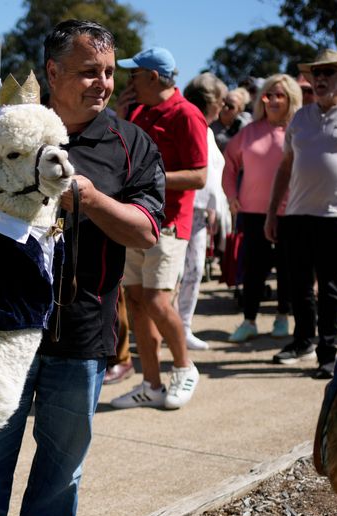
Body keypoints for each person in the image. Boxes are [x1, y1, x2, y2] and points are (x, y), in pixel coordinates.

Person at [0, 19, 164, 516]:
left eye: (110, 72)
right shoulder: (9, 132)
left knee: (63, 458)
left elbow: (144, 231)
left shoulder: (130, 145)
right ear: (54, 73)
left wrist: (85, 195)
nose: (104, 82)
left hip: (82, 328)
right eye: (90, 70)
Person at [265, 49, 337, 378]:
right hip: (297, 213)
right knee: (298, 285)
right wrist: (273, 212)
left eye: (328, 73)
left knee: (330, 287)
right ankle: (302, 341)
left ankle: (327, 352)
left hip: (336, 215)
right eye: (316, 73)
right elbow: (285, 168)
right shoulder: (301, 117)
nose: (319, 79)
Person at [111, 46, 205, 410]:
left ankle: (184, 368)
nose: (128, 81)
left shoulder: (187, 115)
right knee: (135, 301)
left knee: (154, 299)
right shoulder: (137, 111)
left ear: (153, 77)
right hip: (136, 219)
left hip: (168, 225)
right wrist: (120, 116)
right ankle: (151, 385)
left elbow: (199, 175)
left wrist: (153, 178)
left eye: (134, 74)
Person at [222, 74, 302, 344]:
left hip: (290, 211)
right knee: (253, 268)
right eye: (269, 95)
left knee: (288, 268)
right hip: (252, 212)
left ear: (291, 99)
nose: (274, 100)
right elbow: (229, 166)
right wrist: (232, 195)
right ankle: (249, 320)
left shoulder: (298, 130)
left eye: (281, 95)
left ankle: (282, 317)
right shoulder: (249, 131)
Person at [180, 72, 231, 351]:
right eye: (221, 101)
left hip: (201, 212)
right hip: (180, 207)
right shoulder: (190, 122)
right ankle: (172, 325)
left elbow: (212, 176)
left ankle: (183, 325)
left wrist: (214, 208)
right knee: (175, 272)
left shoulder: (208, 129)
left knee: (195, 269)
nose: (223, 107)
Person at [212, 86, 253, 151]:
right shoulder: (210, 122)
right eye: (224, 104)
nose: (226, 108)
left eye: (231, 107)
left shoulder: (245, 128)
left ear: (239, 110)